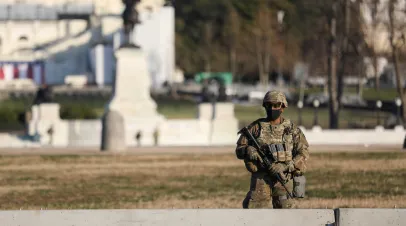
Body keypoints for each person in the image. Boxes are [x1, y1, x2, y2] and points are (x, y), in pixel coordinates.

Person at [235, 90, 310, 209]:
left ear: (283, 107)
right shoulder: (255, 128)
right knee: (256, 214)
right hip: (261, 180)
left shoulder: (292, 130)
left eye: (276, 105)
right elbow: (239, 149)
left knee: (287, 214)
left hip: (283, 179)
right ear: (264, 106)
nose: (272, 108)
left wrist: (285, 166)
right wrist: (248, 150)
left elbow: (303, 153)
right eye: (269, 105)